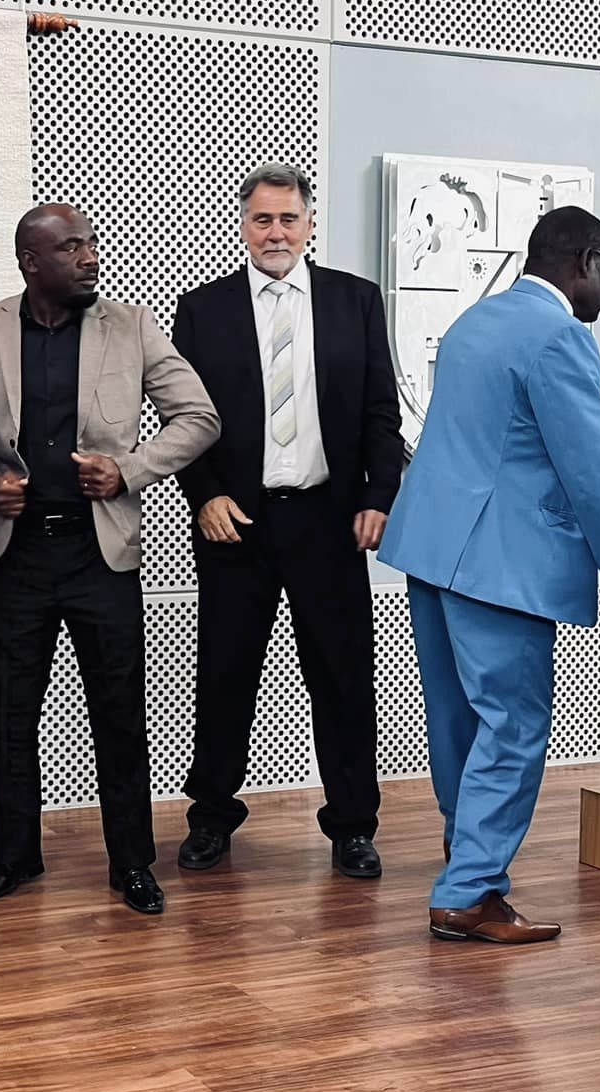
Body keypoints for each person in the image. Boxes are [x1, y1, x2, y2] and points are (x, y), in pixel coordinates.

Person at [0, 203, 220, 916]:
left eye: (89, 243)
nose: (90, 256)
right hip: (18, 552)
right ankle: (14, 856)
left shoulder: (133, 325)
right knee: (11, 714)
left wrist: (130, 470)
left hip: (102, 554)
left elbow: (199, 417)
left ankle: (132, 863)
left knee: (119, 714)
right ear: (30, 263)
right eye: (70, 247)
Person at [379, 206, 600, 945]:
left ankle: (468, 861)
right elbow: (594, 478)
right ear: (587, 263)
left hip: (433, 551)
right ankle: (467, 892)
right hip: (502, 563)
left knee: (457, 720)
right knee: (514, 725)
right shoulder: (562, 337)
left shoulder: (476, 321)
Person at [171, 162, 405, 878]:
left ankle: (352, 826)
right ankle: (212, 817)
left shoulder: (354, 301)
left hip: (327, 521)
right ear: (243, 226)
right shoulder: (201, 309)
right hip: (235, 523)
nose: (276, 232)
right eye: (263, 219)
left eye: (288, 219)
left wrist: (379, 496)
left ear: (310, 224)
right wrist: (204, 494)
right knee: (225, 675)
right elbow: (183, 419)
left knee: (343, 677)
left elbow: (380, 413)